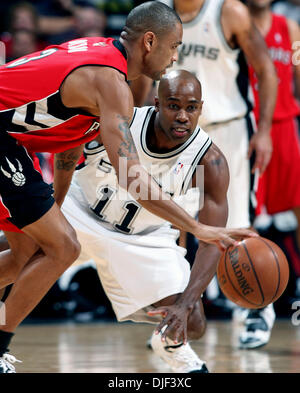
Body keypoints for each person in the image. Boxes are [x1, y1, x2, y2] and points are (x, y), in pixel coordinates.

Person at [0, 1, 256, 373]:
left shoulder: (100, 52)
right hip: (6, 139)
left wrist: (50, 205)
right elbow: (133, 178)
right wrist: (197, 227)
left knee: (27, 251)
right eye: (174, 46)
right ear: (150, 42)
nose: (175, 56)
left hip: (12, 140)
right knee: (63, 247)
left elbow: (68, 144)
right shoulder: (111, 83)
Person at [59, 70, 234, 373]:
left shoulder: (209, 162)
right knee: (15, 253)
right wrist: (52, 203)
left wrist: (185, 303)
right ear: (156, 103)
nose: (182, 116)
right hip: (81, 209)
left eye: (191, 108)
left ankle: (168, 342)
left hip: (142, 238)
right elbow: (67, 145)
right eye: (173, 105)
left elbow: (211, 240)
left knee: (193, 322)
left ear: (201, 109)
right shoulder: (122, 121)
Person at [130, 0, 278, 349]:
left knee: (237, 226)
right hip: (171, 132)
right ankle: (175, 316)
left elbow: (266, 69)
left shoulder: (229, 11)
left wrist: (266, 128)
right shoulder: (157, 13)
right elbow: (140, 77)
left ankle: (256, 311)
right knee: (169, 227)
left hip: (226, 130)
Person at [242, 0, 300, 349]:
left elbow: (298, 73)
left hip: (284, 127)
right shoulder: (234, 21)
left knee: (298, 205)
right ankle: (253, 303)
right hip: (247, 127)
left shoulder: (289, 28)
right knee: (246, 215)